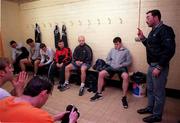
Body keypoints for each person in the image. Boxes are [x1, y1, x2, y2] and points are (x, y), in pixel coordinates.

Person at [136, 9, 176, 122]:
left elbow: (169, 50)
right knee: (151, 89)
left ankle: (157, 115)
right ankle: (150, 108)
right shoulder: (153, 31)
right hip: (151, 66)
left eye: (148, 17)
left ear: (156, 17)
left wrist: (159, 67)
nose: (146, 20)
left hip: (159, 66)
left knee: (159, 92)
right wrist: (143, 37)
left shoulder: (165, 30)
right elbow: (150, 46)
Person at [0, 76, 78, 123]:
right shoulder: (40, 117)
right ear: (43, 93)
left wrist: (54, 118)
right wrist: (71, 121)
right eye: (49, 94)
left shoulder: (4, 101)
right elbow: (38, 118)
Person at [90, 37, 132, 109]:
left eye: (117, 44)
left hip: (121, 68)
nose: (116, 46)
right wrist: (111, 64)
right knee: (101, 73)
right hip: (112, 67)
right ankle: (99, 94)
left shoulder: (126, 51)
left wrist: (121, 65)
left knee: (126, 77)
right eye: (115, 44)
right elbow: (107, 59)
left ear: (120, 43)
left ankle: (124, 97)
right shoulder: (112, 50)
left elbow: (129, 62)